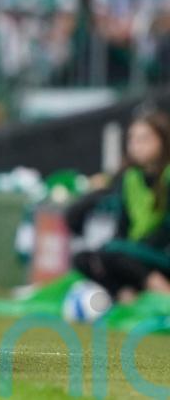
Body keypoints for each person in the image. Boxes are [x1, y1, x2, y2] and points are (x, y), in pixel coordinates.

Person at [73, 110, 170, 302]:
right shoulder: (129, 178)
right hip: (130, 253)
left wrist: (131, 249)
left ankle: (163, 290)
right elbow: (122, 225)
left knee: (116, 252)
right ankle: (127, 297)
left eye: (144, 139)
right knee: (84, 259)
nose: (136, 146)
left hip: (159, 254)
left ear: (162, 140)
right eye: (132, 139)